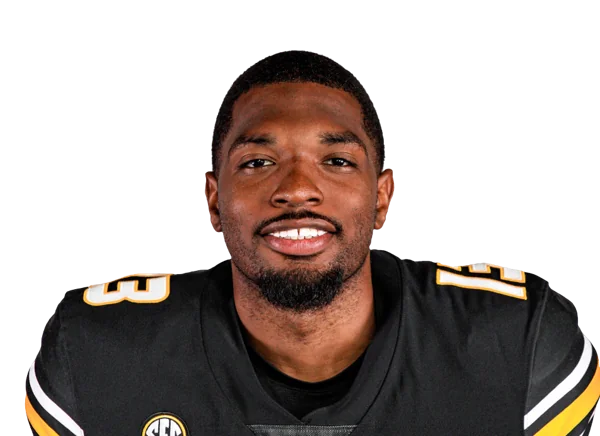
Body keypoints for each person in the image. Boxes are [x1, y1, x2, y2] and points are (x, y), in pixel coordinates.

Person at [24, 49, 599, 435]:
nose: (298, 189)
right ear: (214, 200)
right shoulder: (96, 354)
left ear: (381, 197)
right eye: (258, 161)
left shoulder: (517, 344)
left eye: (336, 160)